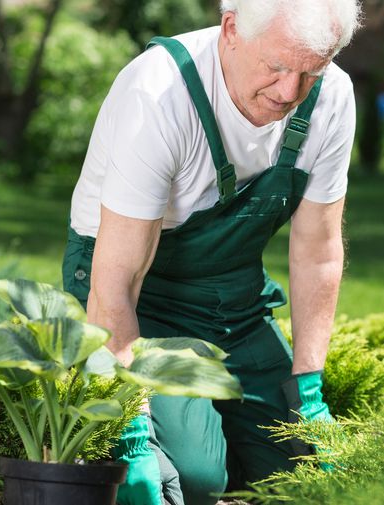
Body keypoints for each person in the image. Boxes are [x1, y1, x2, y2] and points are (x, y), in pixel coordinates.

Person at [63, 1, 360, 504]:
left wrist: (308, 390)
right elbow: (114, 284)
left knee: (309, 473)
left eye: (311, 71)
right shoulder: (159, 94)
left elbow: (318, 251)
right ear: (231, 30)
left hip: (232, 301)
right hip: (133, 296)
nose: (291, 92)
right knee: (195, 478)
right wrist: (133, 435)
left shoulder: (332, 97)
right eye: (277, 66)